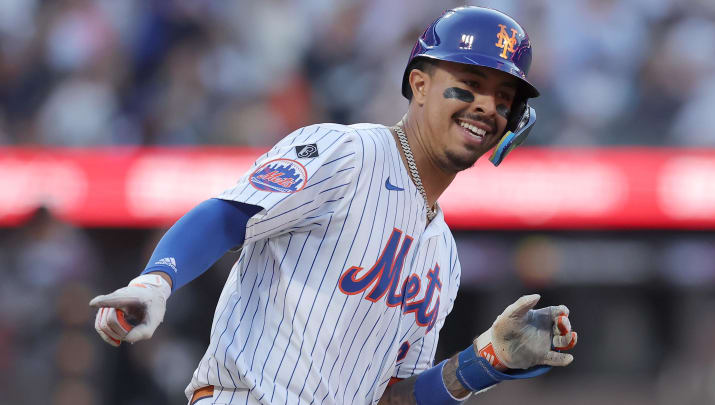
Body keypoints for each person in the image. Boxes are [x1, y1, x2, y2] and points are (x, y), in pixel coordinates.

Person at [90, 6, 578, 405]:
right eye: (469, 83)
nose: (486, 107)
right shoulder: (348, 151)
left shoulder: (444, 258)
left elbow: (390, 399)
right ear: (420, 84)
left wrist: (483, 362)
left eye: (503, 98)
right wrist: (156, 280)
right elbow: (230, 213)